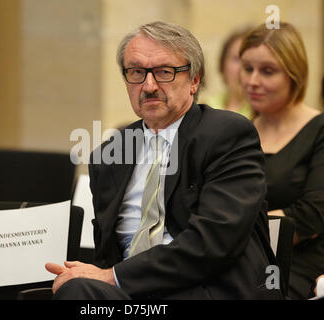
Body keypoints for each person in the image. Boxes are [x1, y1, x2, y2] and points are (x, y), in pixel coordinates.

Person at [45, 21, 283, 300]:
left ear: (194, 80)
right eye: (136, 72)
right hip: (134, 295)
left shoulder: (227, 135)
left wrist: (111, 277)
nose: (148, 86)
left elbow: (213, 242)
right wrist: (86, 274)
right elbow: (107, 254)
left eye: (164, 72)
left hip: (209, 290)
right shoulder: (109, 155)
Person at [239, 22, 324, 299]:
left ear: (294, 76)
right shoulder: (238, 132)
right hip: (237, 259)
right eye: (247, 68)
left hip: (295, 265)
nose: (252, 81)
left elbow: (310, 217)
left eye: (267, 71)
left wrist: (234, 229)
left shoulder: (318, 130)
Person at [206, 26, 253, 119]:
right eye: (237, 59)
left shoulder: (264, 115)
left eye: (250, 61)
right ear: (223, 64)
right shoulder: (206, 107)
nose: (242, 68)